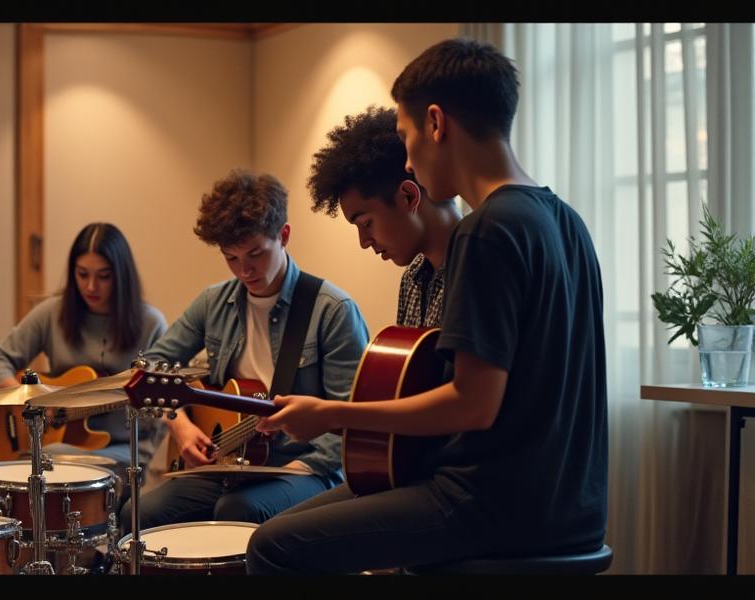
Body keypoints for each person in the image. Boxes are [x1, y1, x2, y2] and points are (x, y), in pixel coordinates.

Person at [246, 38, 608, 574]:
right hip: (573, 510)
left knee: (271, 548)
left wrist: (330, 414)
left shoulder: (488, 228)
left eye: (406, 137)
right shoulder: (566, 220)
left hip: (491, 505)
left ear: (436, 122)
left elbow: (472, 404)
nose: (409, 159)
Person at [117, 168, 370, 531]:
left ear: (283, 235)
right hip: (231, 462)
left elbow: (351, 419)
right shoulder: (213, 302)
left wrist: (296, 468)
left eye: (255, 254)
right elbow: (147, 371)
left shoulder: (331, 309)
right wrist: (181, 427)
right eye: (231, 258)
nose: (245, 270)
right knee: (135, 514)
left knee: (237, 510)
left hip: (307, 465)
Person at [0, 222, 168, 472]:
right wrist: (24, 401)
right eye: (82, 274)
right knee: (47, 457)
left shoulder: (151, 323)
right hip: (60, 447)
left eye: (103, 276)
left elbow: (164, 401)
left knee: (49, 459)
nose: (91, 286)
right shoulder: (51, 313)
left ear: (121, 276)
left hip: (125, 449)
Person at [306, 105, 462, 329]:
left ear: (408, 197)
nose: (364, 242)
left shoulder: (479, 267)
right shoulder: (412, 279)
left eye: (366, 223)